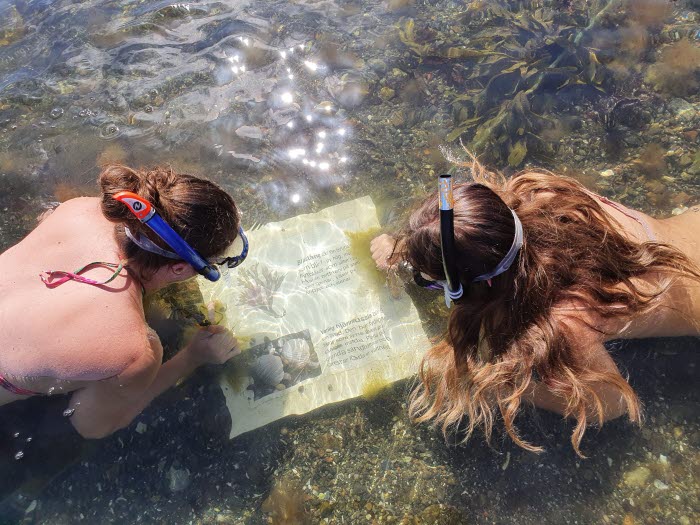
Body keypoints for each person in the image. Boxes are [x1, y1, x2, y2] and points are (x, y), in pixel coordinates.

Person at [371, 158, 700, 455]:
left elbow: (611, 404)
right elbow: (467, 224)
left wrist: (506, 383)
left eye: (428, 282)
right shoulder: (539, 193)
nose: (425, 282)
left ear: (477, 287)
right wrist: (414, 245)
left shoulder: (564, 321)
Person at [0, 165, 247, 439]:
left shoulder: (80, 209)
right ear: (179, 269)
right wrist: (192, 357)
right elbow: (92, 425)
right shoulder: (134, 351)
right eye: (210, 267)